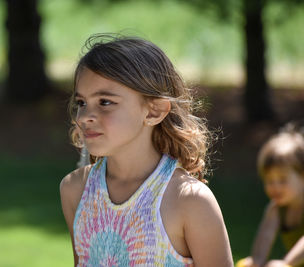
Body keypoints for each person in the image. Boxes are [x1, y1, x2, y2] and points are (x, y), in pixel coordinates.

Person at [60, 34, 233, 267]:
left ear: (154, 112)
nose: (86, 116)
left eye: (105, 102)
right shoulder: (75, 191)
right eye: (82, 103)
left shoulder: (189, 201)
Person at [237, 126, 304, 267]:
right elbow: (265, 237)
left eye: (282, 180)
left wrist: (286, 263)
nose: (276, 187)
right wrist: (257, 261)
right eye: (269, 180)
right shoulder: (277, 209)